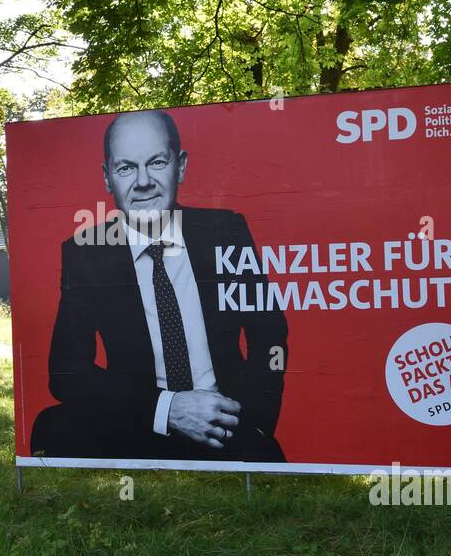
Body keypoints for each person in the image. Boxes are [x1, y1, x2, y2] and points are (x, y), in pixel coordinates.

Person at [30, 108, 289, 463]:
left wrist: (256, 423)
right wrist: (167, 409)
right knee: (51, 428)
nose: (143, 182)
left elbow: (270, 336)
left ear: (179, 166)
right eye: (125, 168)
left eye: (156, 162)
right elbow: (67, 373)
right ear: (108, 178)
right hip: (138, 423)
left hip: (225, 423)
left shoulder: (224, 232)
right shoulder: (85, 253)